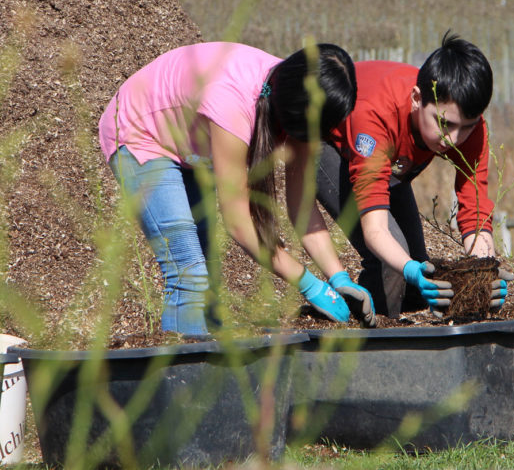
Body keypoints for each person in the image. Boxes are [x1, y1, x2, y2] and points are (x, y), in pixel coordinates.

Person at [98, 42, 376, 336]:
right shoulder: (234, 105)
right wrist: (308, 284)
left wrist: (339, 278)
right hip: (140, 131)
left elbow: (302, 206)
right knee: (189, 273)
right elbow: (239, 223)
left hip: (192, 141)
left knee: (208, 271)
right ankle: (182, 375)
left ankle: (209, 363)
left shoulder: (301, 94)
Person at [315, 32, 509, 318]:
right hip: (326, 141)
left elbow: (475, 211)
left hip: (387, 161)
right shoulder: (376, 114)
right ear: (417, 99)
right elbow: (376, 231)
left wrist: (485, 271)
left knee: (419, 269)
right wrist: (407, 268)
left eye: (466, 126)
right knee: (390, 262)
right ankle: (366, 337)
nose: (454, 139)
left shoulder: (469, 128)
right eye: (445, 124)